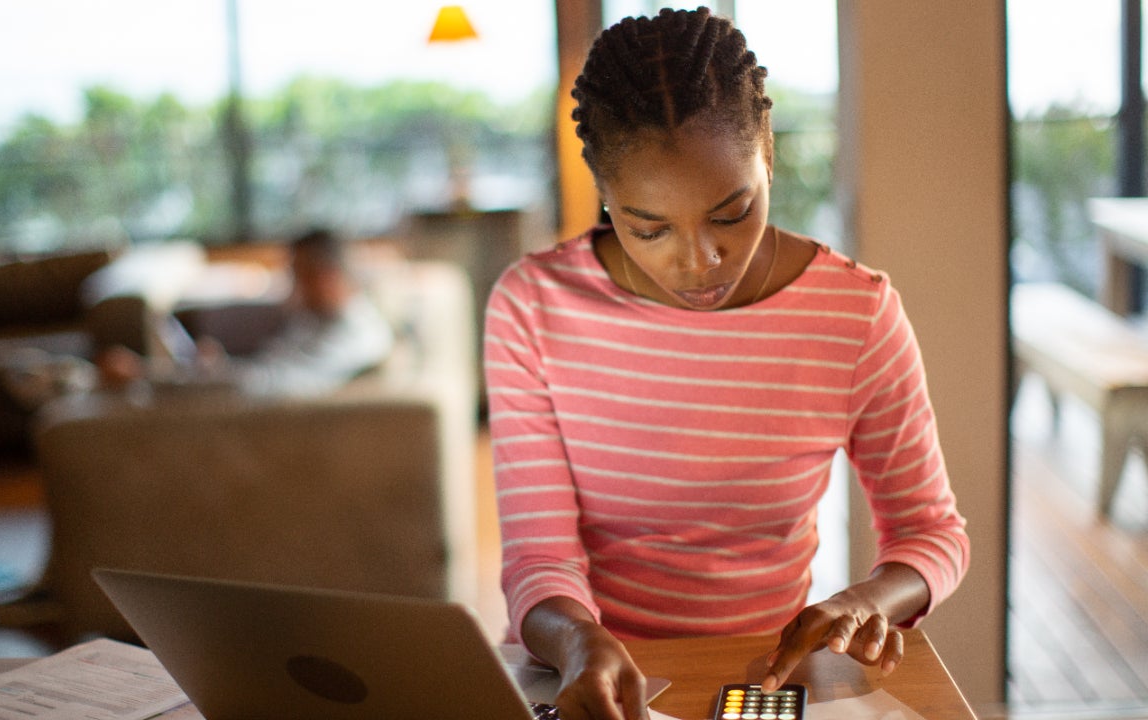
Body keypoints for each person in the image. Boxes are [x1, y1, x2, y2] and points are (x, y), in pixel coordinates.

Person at [482, 8, 970, 720]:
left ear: (768, 155)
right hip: (581, 679)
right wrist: (580, 640)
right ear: (605, 197)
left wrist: (863, 602)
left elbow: (932, 531)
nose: (700, 261)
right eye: (648, 227)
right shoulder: (531, 307)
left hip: (754, 682)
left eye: (732, 212)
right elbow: (538, 559)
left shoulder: (856, 314)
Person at [91, 228, 394, 398]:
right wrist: (217, 368)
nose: (292, 287)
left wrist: (147, 374)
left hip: (246, 417)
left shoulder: (353, 334)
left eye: (297, 276)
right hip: (235, 393)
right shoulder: (320, 317)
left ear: (325, 278)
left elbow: (265, 387)